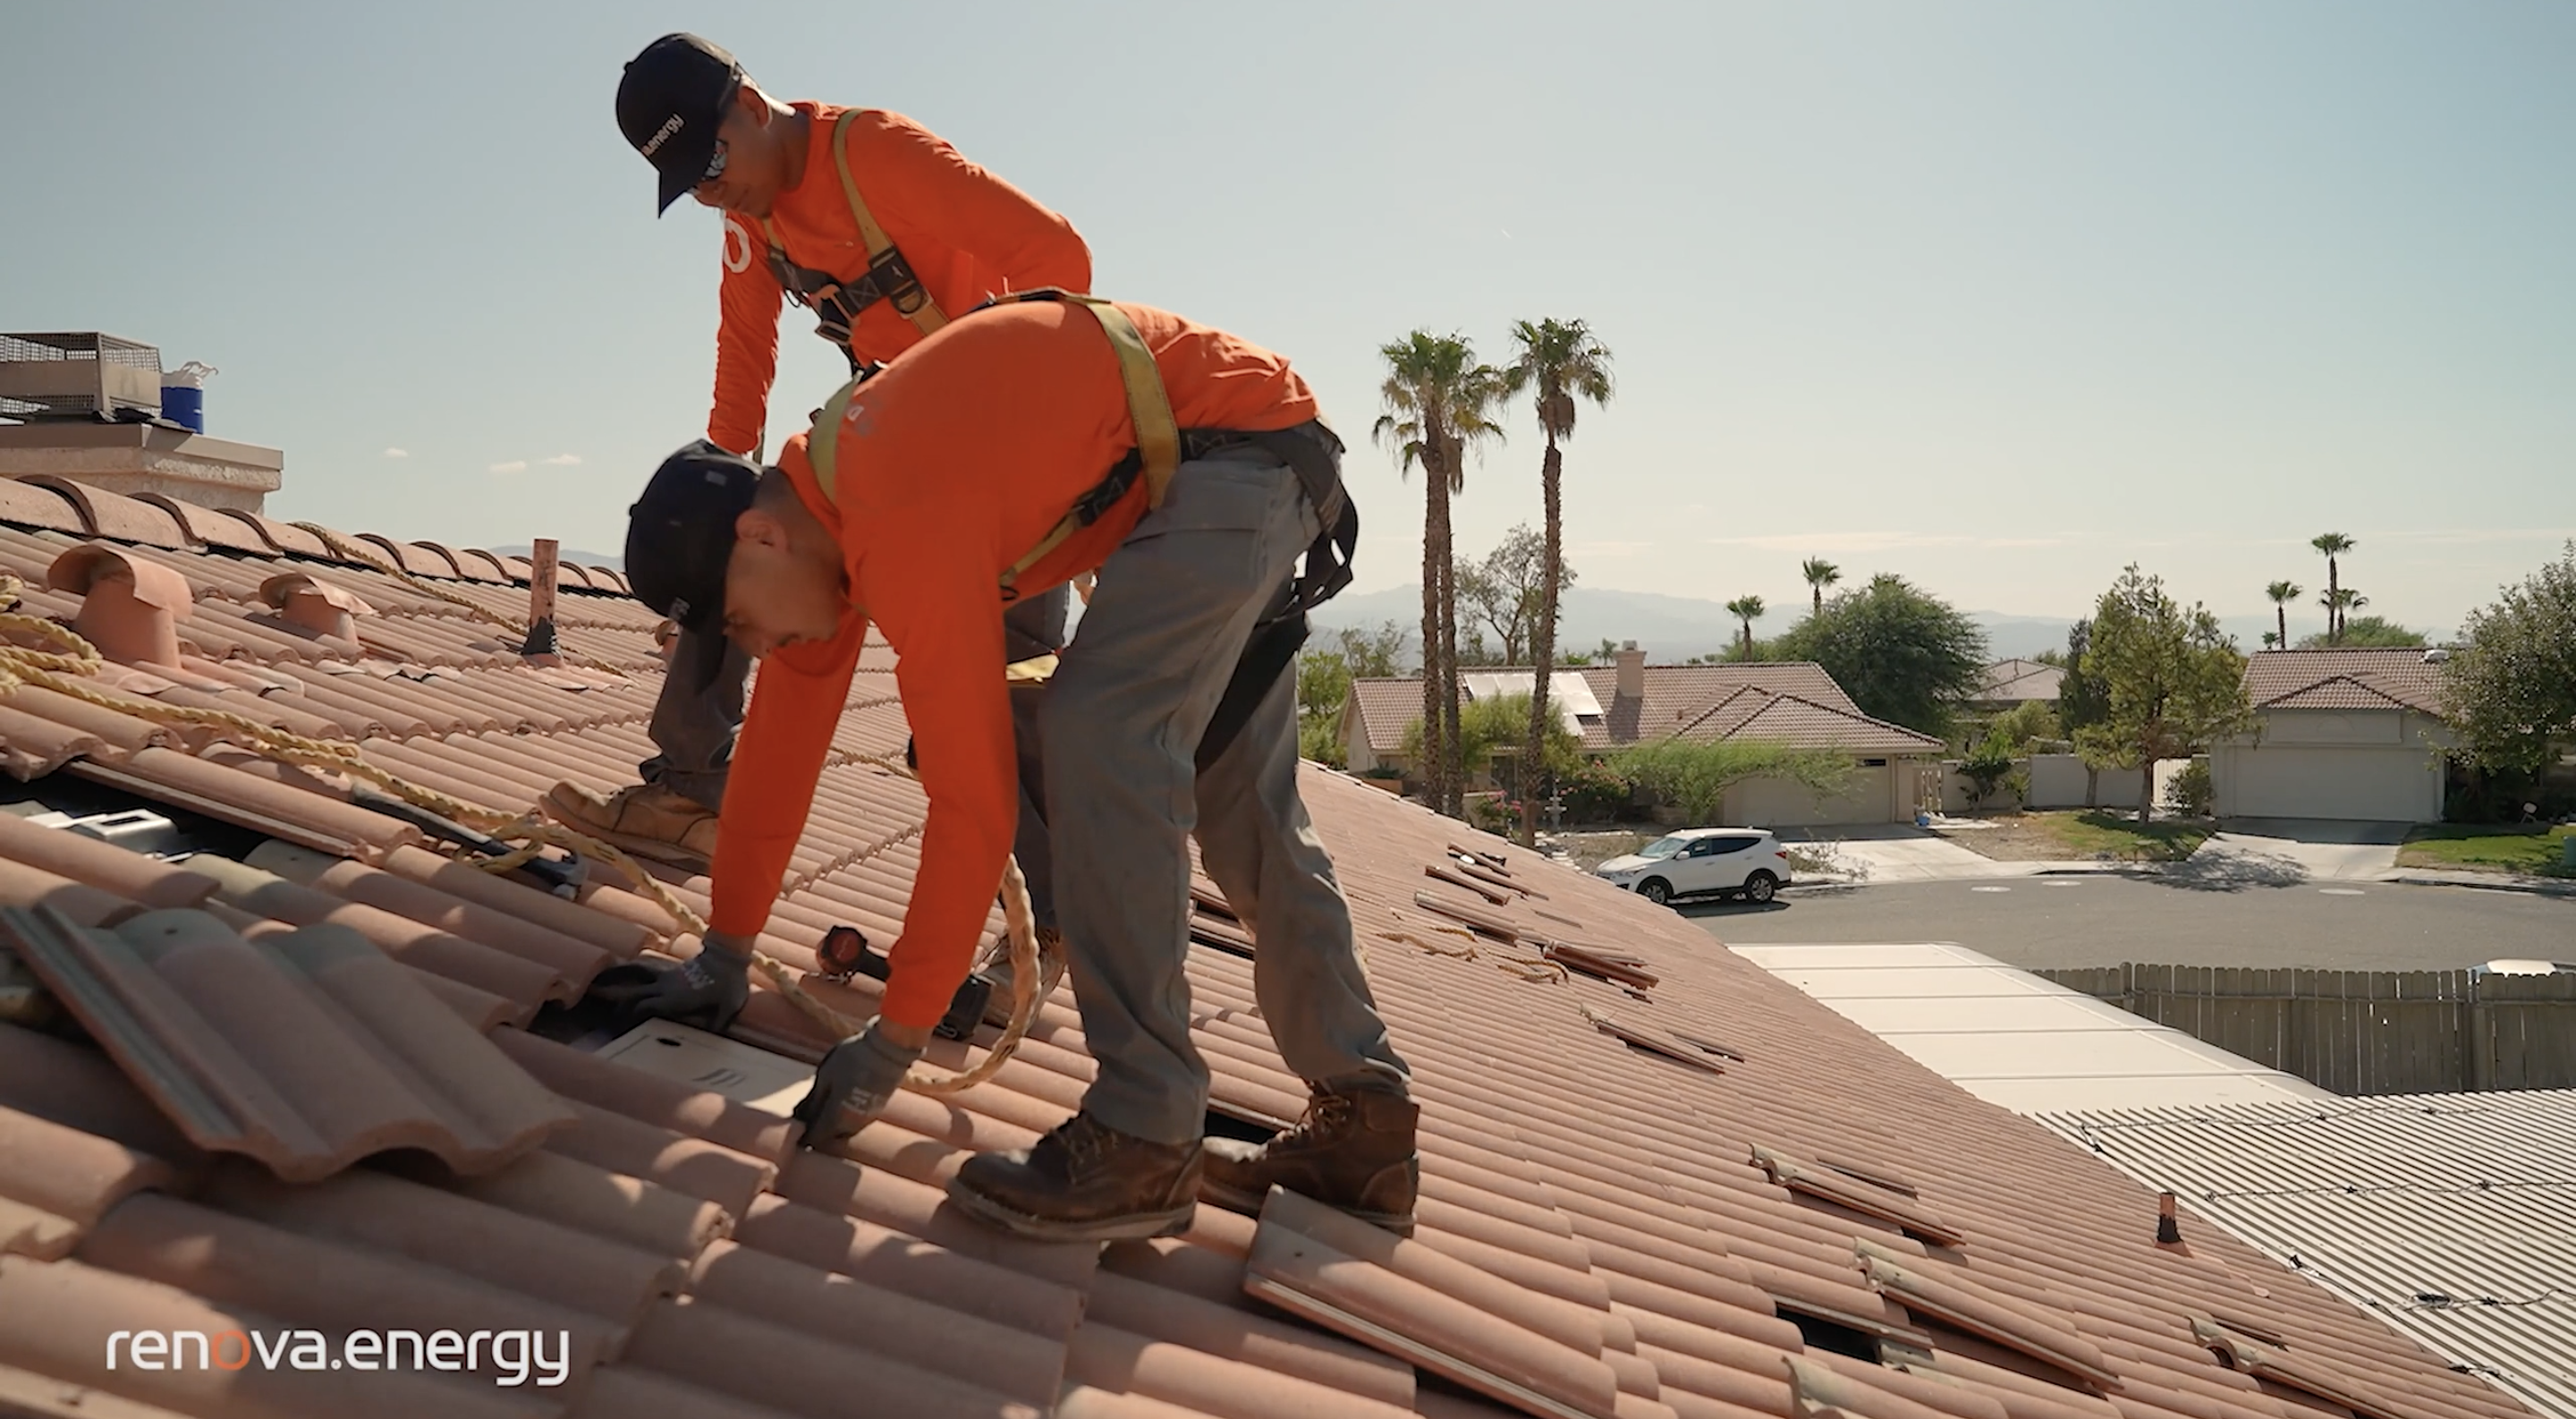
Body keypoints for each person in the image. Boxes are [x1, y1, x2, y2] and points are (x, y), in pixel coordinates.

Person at [614, 294, 1414, 1243]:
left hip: (1234, 458)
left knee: (1099, 729)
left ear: (759, 538)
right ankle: (1366, 1127)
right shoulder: (820, 522)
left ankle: (1145, 1128)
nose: (752, 643)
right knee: (1240, 801)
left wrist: (897, 1035)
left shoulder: (889, 497)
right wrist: (725, 951)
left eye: (736, 621)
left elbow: (974, 804)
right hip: (1239, 461)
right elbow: (778, 756)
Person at [553, 31, 1089, 867]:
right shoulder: (749, 219)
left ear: (755, 108)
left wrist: (1005, 422)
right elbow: (744, 361)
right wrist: (718, 505)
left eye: (711, 160)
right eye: (688, 177)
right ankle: (688, 792)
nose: (709, 188)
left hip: (1007, 433)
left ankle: (1052, 919)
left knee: (1003, 692)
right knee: (726, 533)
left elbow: (1058, 256)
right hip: (899, 426)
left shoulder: (876, 154)